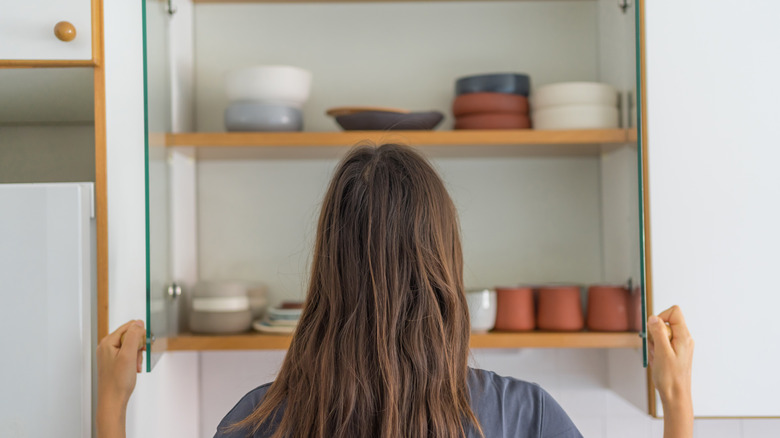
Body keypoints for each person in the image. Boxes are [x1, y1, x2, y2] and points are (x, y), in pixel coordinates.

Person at [97, 144, 694, 438]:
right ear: (445, 270)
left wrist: (111, 402)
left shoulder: (259, 421)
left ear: (327, 275)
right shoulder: (521, 416)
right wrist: (676, 400)